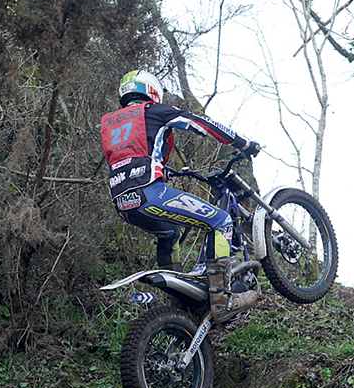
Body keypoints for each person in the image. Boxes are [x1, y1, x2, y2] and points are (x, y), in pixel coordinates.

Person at [101, 69, 262, 320]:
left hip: (123, 202)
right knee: (220, 221)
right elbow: (203, 124)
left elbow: (133, 155)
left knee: (169, 233)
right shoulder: (155, 111)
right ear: (151, 90)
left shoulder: (111, 122)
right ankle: (222, 300)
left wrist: (166, 170)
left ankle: (180, 301)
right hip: (150, 193)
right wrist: (241, 142)